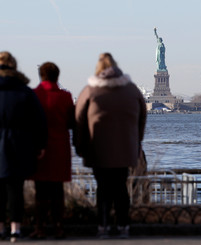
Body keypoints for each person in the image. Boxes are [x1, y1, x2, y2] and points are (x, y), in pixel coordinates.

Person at [0, 51, 47, 243]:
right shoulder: (25, 91)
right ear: (14, 66)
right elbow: (39, 120)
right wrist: (40, 144)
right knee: (16, 189)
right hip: (20, 142)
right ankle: (15, 229)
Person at [74, 53, 147, 239]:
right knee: (121, 188)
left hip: (98, 149)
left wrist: (79, 145)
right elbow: (142, 116)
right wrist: (137, 141)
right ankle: (123, 226)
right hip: (125, 149)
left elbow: (78, 120)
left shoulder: (90, 91)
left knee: (103, 188)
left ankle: (103, 226)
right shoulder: (131, 90)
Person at [29, 62, 75, 239]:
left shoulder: (34, 95)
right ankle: (58, 226)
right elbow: (71, 122)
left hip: (38, 149)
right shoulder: (65, 96)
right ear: (57, 76)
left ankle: (40, 227)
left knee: (40, 192)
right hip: (60, 148)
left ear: (41, 75)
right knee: (57, 191)